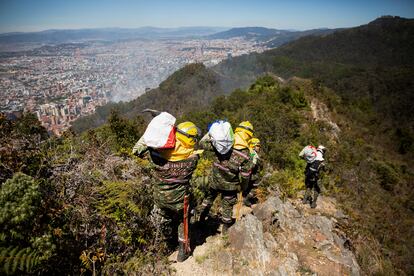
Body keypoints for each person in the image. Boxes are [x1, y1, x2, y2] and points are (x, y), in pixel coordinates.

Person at [132, 121, 202, 262]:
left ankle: (165, 245)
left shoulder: (156, 155)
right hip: (181, 201)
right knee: (183, 220)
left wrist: (152, 130)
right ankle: (182, 252)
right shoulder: (193, 158)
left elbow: (136, 150)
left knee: (164, 219)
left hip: (160, 198)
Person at [197, 121, 255, 234]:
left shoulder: (221, 143)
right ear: (249, 136)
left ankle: (201, 220)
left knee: (207, 200)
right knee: (227, 205)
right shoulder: (246, 154)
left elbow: (202, 143)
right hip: (230, 186)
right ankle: (225, 230)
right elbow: (245, 176)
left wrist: (213, 131)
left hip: (214, 181)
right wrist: (243, 187)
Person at [243, 137, 263, 207]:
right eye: (257, 146)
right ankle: (246, 200)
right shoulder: (253, 154)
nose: (259, 147)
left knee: (249, 188)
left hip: (250, 176)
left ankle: (246, 198)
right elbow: (252, 165)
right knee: (254, 189)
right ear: (253, 146)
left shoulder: (250, 152)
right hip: (254, 177)